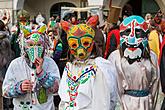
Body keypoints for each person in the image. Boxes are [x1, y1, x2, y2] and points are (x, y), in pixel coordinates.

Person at [58, 15, 117, 110]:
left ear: (92, 43)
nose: (80, 50)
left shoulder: (98, 68)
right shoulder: (69, 67)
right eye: (74, 45)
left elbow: (101, 104)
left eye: (85, 43)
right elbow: (64, 99)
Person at [2, 25, 60, 110]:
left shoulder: (50, 63)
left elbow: (57, 90)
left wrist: (41, 73)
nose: (35, 48)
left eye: (39, 44)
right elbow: (5, 91)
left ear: (44, 45)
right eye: (31, 45)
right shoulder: (16, 64)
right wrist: (19, 88)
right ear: (24, 45)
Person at [108, 15, 160, 110]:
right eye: (127, 32)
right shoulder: (115, 57)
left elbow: (156, 85)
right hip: (124, 104)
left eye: (138, 32)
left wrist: (151, 104)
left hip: (146, 104)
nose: (132, 38)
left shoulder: (152, 57)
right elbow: (114, 87)